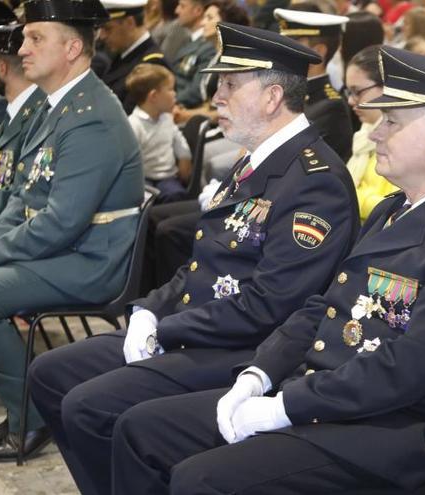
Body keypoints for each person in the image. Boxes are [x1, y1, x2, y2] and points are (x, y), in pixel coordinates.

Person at [110, 45, 425, 494]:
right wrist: (260, 374)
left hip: (386, 433)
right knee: (142, 429)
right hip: (324, 396)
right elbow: (324, 307)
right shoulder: (395, 208)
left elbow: (405, 370)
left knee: (201, 480)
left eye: (392, 122)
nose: (376, 132)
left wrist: (284, 405)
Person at [28, 22, 360, 495]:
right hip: (201, 329)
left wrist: (166, 330)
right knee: (50, 373)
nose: (216, 96)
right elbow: (200, 265)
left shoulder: (314, 180)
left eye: (228, 84)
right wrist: (149, 309)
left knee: (90, 406)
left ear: (271, 98)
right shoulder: (252, 162)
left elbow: (272, 305)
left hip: (242, 349)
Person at [0, 0, 144, 461]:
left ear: (74, 47)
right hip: (68, 248)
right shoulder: (58, 105)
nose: (22, 47)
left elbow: (59, 223)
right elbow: (22, 200)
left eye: (36, 38)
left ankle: (32, 418)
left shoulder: (89, 115)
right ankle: (28, 408)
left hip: (90, 259)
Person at [0, 3, 45, 223]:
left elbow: (19, 194)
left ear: (2, 68)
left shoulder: (37, 115)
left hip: (12, 226)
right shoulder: (18, 109)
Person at [275, 4, 354, 162]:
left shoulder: (330, 106)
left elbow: (285, 157)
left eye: (291, 45)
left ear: (317, 52)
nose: (282, 51)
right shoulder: (291, 90)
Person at [344, 45, 397, 222]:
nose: (351, 101)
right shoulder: (364, 133)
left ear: (387, 88)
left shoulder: (402, 142)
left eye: (357, 92)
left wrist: (351, 196)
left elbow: (395, 209)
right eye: (348, 92)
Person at [125, 63, 192, 203]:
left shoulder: (166, 117)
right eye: (170, 89)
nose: (175, 94)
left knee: (176, 195)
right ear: (154, 96)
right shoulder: (133, 124)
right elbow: (128, 161)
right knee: (141, 201)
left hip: (168, 177)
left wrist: (185, 157)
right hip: (143, 180)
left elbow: (178, 140)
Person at [97, 0, 168, 113]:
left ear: (130, 23)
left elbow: (127, 115)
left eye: (108, 28)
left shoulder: (152, 62)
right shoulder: (121, 55)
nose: (102, 36)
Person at [170, 0, 214, 108]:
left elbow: (197, 90)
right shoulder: (188, 40)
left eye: (182, 6)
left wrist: (167, 101)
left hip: (185, 108)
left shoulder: (209, 46)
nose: (177, 11)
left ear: (198, 10)